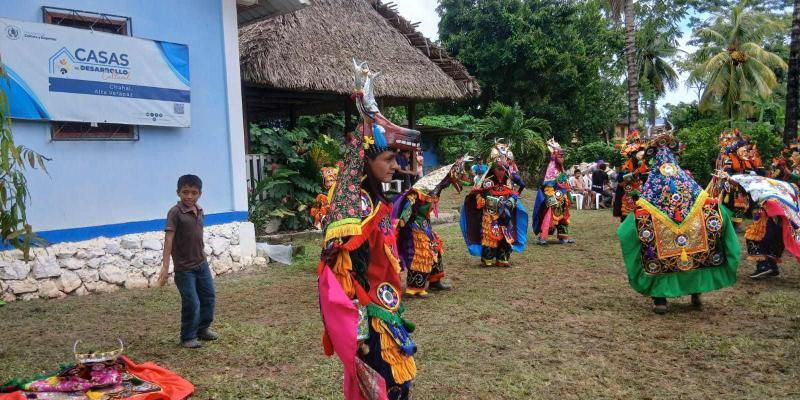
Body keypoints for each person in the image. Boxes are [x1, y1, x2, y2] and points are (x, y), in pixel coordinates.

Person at [318, 60, 418, 400]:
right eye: (389, 159)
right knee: (388, 388)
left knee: (396, 385)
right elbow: (343, 276)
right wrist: (357, 333)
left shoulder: (377, 201)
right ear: (367, 160)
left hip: (386, 309)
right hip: (371, 318)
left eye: (396, 159)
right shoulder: (356, 208)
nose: (396, 166)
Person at [617, 133, 740, 314]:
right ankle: (695, 291)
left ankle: (660, 300)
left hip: (660, 224)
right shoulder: (685, 181)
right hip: (690, 222)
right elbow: (701, 198)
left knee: (655, 252)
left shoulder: (654, 183)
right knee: (695, 251)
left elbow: (642, 205)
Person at [157, 174, 218, 349]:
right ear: (178, 192)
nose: (189, 196)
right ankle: (188, 337)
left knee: (209, 297)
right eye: (185, 192)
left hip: (202, 264)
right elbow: (169, 239)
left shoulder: (199, 210)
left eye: (194, 192)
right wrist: (166, 266)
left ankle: (202, 329)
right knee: (192, 302)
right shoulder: (175, 212)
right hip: (184, 269)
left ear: (200, 193)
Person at [394, 157, 469, 297]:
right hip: (414, 225)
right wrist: (400, 226)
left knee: (436, 248)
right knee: (422, 253)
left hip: (425, 224)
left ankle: (435, 281)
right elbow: (407, 209)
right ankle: (415, 288)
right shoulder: (421, 189)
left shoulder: (438, 187)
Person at [461, 140, 528, 267]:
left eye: (504, 168)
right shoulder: (487, 180)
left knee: (506, 235)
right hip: (491, 212)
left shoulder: (509, 178)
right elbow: (477, 193)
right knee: (490, 235)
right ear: (493, 167)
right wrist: (492, 202)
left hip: (506, 212)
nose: (502, 171)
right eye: (499, 168)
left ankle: (502, 258)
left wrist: (512, 200)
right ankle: (488, 258)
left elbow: (514, 192)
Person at [532, 139, 574, 244]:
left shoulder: (561, 169)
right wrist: (551, 199)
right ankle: (543, 238)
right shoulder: (552, 169)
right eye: (560, 156)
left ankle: (563, 237)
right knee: (549, 216)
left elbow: (565, 184)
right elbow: (547, 185)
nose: (562, 158)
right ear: (555, 156)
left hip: (562, 198)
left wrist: (568, 196)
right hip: (553, 196)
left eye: (563, 156)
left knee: (564, 217)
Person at [613, 130, 649, 223]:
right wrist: (633, 175)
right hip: (629, 195)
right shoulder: (626, 168)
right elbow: (621, 182)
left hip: (643, 196)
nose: (641, 154)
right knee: (627, 212)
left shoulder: (647, 167)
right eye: (637, 151)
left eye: (642, 151)